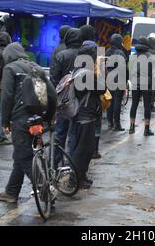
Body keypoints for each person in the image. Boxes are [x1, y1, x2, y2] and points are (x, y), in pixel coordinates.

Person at [0, 42, 56, 203]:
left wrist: (5, 121)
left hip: (20, 119)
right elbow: (52, 95)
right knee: (21, 154)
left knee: (23, 156)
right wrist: (48, 118)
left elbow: (7, 97)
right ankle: (11, 191)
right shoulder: (36, 68)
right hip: (37, 118)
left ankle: (45, 190)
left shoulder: (10, 69)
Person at [71, 41, 105, 188]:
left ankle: (82, 176)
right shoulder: (86, 73)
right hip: (85, 115)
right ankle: (75, 178)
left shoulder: (79, 69)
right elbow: (102, 88)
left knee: (88, 148)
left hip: (85, 114)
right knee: (82, 149)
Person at [49, 28, 82, 159]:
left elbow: (54, 79)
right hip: (80, 99)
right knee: (74, 133)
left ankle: (55, 160)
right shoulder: (85, 56)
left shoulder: (61, 55)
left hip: (63, 99)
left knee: (60, 131)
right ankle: (72, 162)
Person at [129, 36, 155, 136]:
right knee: (147, 106)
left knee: (134, 104)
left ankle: (131, 127)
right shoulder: (150, 56)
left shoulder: (133, 56)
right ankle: (146, 129)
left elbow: (130, 71)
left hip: (135, 83)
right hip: (147, 84)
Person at [106, 33, 128, 131]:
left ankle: (110, 122)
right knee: (117, 102)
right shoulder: (120, 53)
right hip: (118, 79)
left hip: (108, 79)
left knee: (110, 101)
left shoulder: (107, 51)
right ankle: (117, 124)